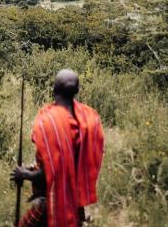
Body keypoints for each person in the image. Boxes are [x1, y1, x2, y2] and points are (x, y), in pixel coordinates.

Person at [12, 69, 104, 227]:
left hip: (53, 199)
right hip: (75, 200)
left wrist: (26, 174)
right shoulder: (90, 118)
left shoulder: (50, 121)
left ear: (54, 89)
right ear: (77, 90)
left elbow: (52, 170)